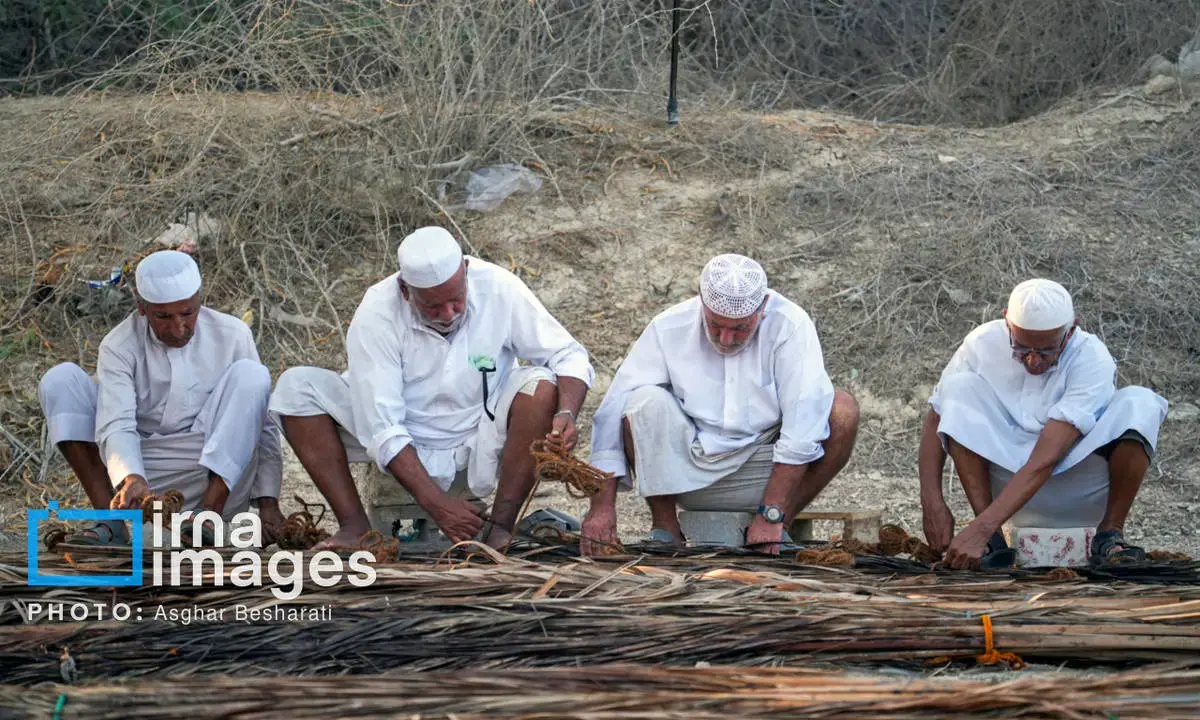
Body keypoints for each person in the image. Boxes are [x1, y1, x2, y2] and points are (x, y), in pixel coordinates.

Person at [269, 226, 594, 551]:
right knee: (296, 389)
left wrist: (566, 412)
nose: (449, 314)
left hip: (479, 428)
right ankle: (355, 527)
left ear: (465, 271)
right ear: (405, 291)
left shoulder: (498, 287)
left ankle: (500, 527)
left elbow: (567, 355)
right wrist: (438, 505)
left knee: (541, 387)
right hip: (403, 429)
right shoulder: (377, 311)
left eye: (456, 300)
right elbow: (383, 426)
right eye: (433, 307)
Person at [579, 254, 860, 557]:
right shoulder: (669, 326)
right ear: (701, 302)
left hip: (765, 469)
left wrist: (772, 513)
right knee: (641, 402)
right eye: (715, 325)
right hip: (684, 469)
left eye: (740, 328)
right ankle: (664, 527)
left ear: (762, 308)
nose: (726, 338)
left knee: (841, 411)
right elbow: (610, 414)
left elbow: (804, 425)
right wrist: (601, 508)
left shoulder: (790, 325)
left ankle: (778, 525)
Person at [918, 278, 1169, 569]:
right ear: (1006, 322)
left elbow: (1046, 459)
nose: (1033, 361)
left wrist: (979, 528)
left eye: (1047, 351)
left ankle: (1109, 535)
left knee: (1139, 402)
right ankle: (994, 545)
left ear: (1071, 329)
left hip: (1076, 484)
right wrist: (932, 501)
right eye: (1022, 348)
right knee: (958, 389)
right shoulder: (981, 343)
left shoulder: (1092, 358)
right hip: (1003, 481)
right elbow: (937, 416)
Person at [38, 250, 285, 545]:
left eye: (187, 313)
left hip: (215, 472)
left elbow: (262, 423)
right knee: (60, 380)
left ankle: (209, 516)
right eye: (164, 316)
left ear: (199, 301)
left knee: (252, 375)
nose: (178, 327)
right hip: (144, 484)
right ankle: (112, 522)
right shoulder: (119, 345)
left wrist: (269, 503)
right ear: (142, 308)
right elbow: (116, 422)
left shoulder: (232, 334)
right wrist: (132, 477)